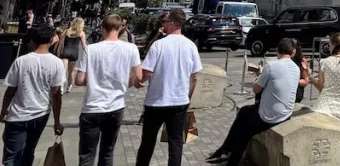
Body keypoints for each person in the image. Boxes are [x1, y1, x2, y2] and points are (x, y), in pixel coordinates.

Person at [206, 39, 299, 166]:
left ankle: (229, 156)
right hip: (286, 114)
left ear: (278, 51)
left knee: (243, 128)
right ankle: (225, 150)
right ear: (292, 52)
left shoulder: (271, 66)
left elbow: (256, 89)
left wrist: (260, 75)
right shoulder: (296, 68)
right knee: (244, 113)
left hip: (269, 116)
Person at [135, 10, 202, 166]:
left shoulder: (159, 45)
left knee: (148, 141)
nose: (163, 25)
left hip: (156, 101)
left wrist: (138, 80)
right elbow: (194, 76)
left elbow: (146, 73)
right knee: (176, 141)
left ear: (172, 24)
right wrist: (188, 97)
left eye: (164, 21)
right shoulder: (191, 46)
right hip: (179, 101)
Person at [76, 14, 142, 166]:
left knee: (86, 155)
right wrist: (127, 83)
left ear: (102, 29)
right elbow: (139, 77)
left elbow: (79, 80)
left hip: (92, 107)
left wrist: (92, 80)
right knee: (107, 152)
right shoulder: (131, 48)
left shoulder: (90, 49)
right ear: (120, 28)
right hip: (115, 106)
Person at [0, 25, 65, 166]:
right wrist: (57, 121)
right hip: (41, 114)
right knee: (28, 151)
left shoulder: (21, 61)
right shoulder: (57, 63)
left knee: (11, 156)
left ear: (32, 41)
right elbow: (56, 94)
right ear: (50, 40)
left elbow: (10, 90)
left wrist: (3, 110)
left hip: (18, 115)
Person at [309, 34, 340, 133]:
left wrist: (310, 78)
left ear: (333, 45)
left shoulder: (324, 62)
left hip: (324, 105)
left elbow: (321, 87)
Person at [61, 17, 88, 93]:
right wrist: (88, 53)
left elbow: (61, 38)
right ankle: (69, 86)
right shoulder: (81, 33)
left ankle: (61, 87)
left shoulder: (67, 31)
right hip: (74, 53)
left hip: (65, 52)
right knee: (71, 72)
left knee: (63, 71)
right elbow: (84, 45)